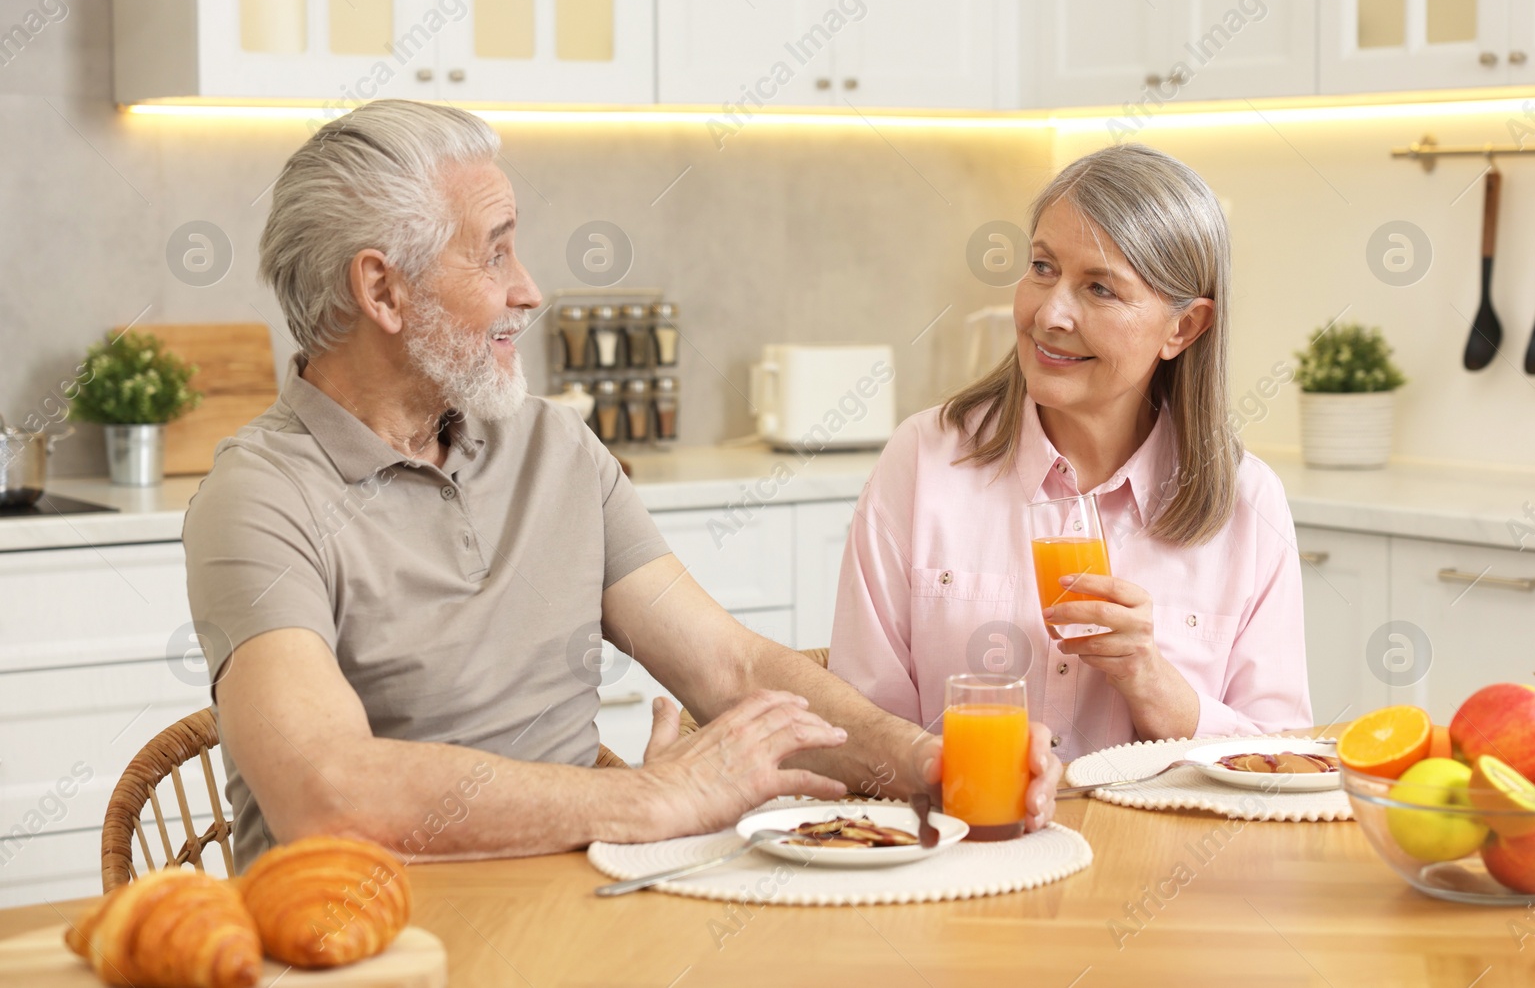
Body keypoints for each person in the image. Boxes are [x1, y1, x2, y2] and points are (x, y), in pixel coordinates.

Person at [182, 99, 1063, 868]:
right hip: (373, 943)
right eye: (494, 256)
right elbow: (326, 791)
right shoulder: (259, 498)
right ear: (382, 289)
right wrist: (649, 801)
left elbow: (729, 664)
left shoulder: (554, 446)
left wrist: (921, 760)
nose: (529, 291)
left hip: (581, 910)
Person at [829, 142, 1312, 758]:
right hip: (969, 846)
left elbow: (1285, 761)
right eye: (1042, 267)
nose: (1049, 313)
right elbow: (861, 729)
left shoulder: (1249, 504)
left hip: (1167, 855)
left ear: (1182, 328)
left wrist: (1155, 684)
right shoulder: (924, 461)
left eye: (1101, 289)